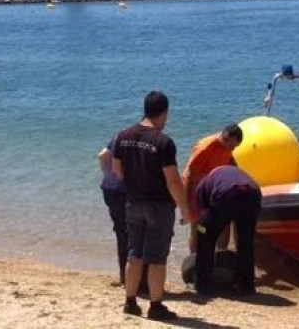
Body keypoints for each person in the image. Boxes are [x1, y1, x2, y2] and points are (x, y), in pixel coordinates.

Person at [111, 91, 191, 321]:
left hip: (133, 202)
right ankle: (155, 306)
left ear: (145, 109)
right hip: (159, 206)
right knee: (156, 257)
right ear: (164, 112)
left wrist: (135, 184)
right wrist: (184, 209)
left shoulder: (122, 136)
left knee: (134, 254)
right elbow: (173, 181)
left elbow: (117, 171)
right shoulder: (163, 142)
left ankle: (130, 301)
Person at [193, 165, 261, 295]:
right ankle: (246, 286)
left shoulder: (203, 185)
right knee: (246, 242)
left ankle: (203, 284)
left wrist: (204, 227)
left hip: (227, 193)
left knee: (204, 237)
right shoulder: (227, 174)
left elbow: (205, 215)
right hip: (253, 192)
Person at [182, 124, 243, 253]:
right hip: (196, 190)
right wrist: (188, 204)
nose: (232, 149)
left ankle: (221, 257)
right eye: (232, 146)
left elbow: (230, 161)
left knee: (225, 223)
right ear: (226, 138)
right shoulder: (205, 147)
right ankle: (194, 261)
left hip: (212, 189)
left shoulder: (226, 147)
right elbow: (189, 175)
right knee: (198, 227)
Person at [97, 144, 128, 285]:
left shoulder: (118, 137)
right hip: (124, 191)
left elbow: (102, 155)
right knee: (134, 233)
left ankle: (124, 276)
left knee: (121, 233)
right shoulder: (142, 138)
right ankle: (132, 277)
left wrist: (108, 174)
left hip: (108, 189)